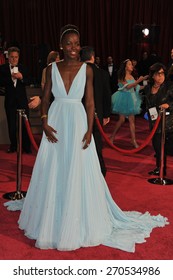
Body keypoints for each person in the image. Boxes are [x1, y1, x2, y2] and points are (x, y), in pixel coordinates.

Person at [17, 24, 168, 252]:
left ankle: (77, 216)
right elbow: (46, 97)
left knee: (78, 167)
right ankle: (50, 217)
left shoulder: (87, 70)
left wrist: (89, 129)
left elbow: (89, 102)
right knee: (54, 167)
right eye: (69, 43)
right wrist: (45, 121)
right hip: (57, 120)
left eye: (77, 43)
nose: (73, 48)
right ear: (61, 45)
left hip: (78, 121)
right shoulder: (51, 68)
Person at [80, 46, 111, 176]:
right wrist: (107, 114)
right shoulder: (102, 73)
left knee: (81, 142)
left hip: (81, 113)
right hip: (98, 114)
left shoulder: (78, 73)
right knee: (97, 142)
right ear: (93, 57)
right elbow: (107, 95)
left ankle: (82, 170)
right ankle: (100, 170)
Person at [110, 59, 148, 148]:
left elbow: (137, 87)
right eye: (130, 64)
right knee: (122, 120)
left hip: (131, 99)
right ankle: (112, 137)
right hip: (123, 99)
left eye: (131, 64)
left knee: (131, 120)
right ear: (125, 66)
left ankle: (133, 140)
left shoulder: (131, 76)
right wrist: (139, 80)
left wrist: (147, 85)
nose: (132, 66)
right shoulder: (121, 76)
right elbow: (127, 87)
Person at [143, 63, 173, 176]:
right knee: (157, 146)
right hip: (154, 121)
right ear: (153, 75)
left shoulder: (169, 86)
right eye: (158, 74)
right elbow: (148, 104)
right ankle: (159, 168)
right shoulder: (148, 88)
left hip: (169, 122)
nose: (161, 76)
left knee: (167, 148)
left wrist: (168, 105)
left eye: (162, 73)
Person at [0, 46, 31, 153]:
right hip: (10, 101)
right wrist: (11, 78)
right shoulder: (2, 68)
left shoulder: (24, 68)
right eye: (12, 57)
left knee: (25, 124)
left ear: (19, 57)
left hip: (22, 101)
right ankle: (13, 146)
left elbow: (29, 80)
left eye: (16, 57)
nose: (14, 59)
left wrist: (21, 77)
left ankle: (26, 147)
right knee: (11, 124)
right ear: (8, 57)